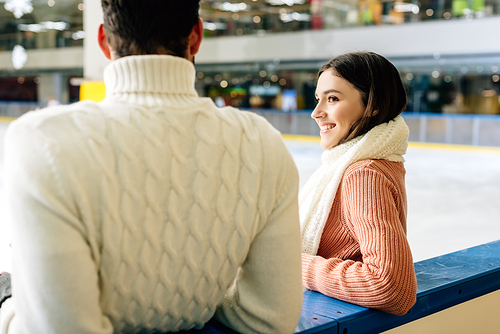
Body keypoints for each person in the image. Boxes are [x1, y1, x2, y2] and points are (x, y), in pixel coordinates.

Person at [0, 1, 303, 333]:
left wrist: (9, 306)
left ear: (103, 41)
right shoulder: (263, 144)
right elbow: (271, 319)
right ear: (197, 37)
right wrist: (195, 294)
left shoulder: (42, 143)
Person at [300, 52, 417, 316]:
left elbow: (391, 287)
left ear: (372, 105)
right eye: (318, 99)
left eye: (333, 99)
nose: (316, 113)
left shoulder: (364, 174)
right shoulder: (375, 162)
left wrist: (292, 264)